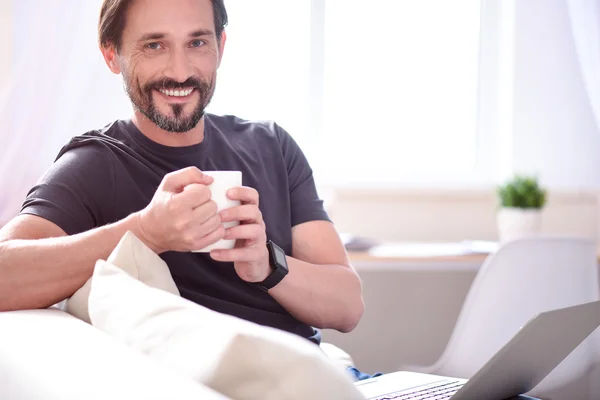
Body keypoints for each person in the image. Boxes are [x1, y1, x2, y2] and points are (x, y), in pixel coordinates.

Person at [0, 0, 364, 349]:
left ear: (220, 47)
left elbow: (348, 308)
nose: (180, 71)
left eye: (197, 42)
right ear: (112, 54)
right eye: (155, 45)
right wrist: (145, 232)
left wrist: (268, 264)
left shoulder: (271, 146)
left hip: (319, 376)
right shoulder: (95, 164)